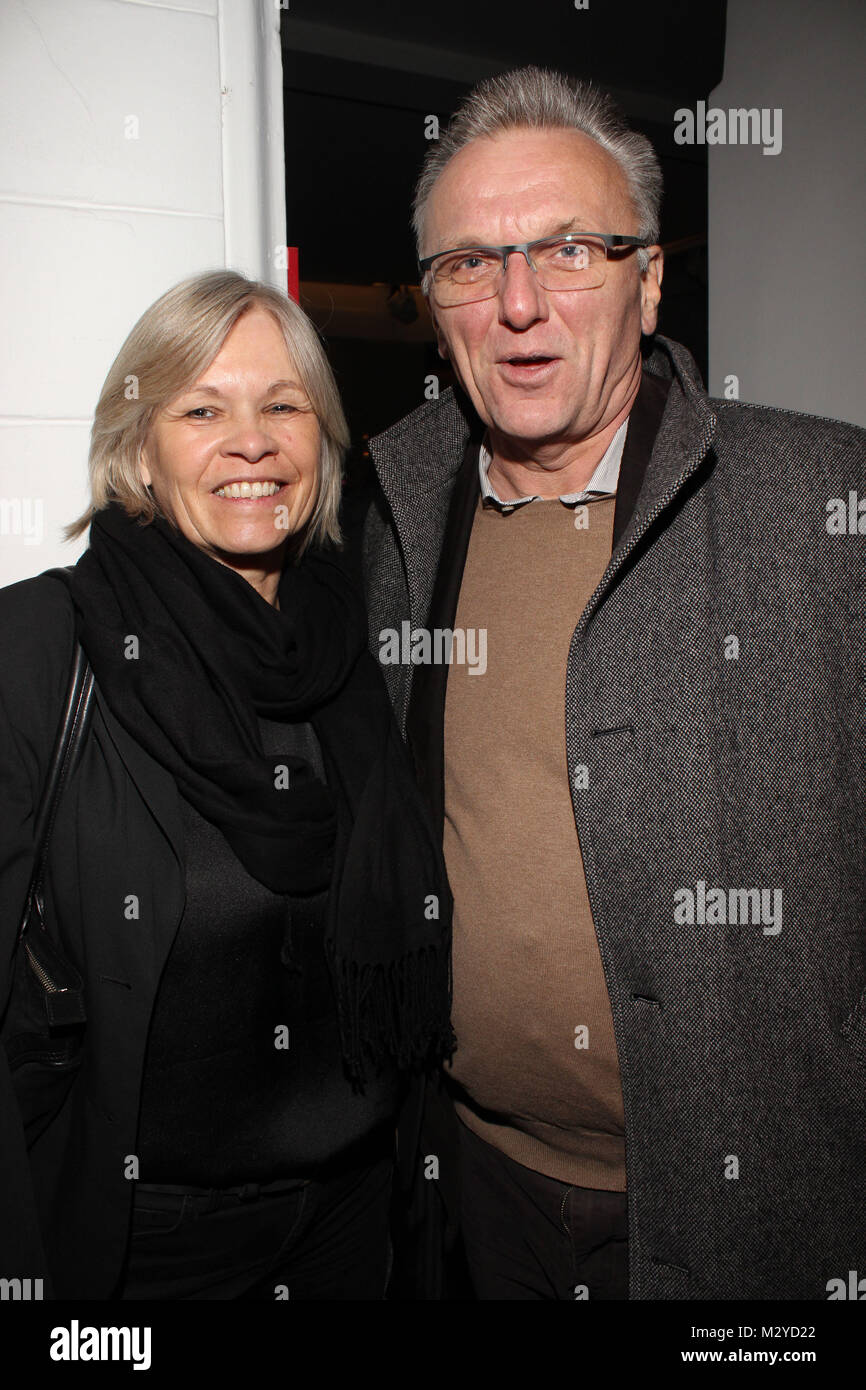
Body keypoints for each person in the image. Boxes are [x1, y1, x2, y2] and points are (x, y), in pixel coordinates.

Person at [360, 66, 866, 1300]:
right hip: (481, 1188)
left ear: (646, 283)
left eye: (569, 250)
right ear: (433, 306)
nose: (518, 303)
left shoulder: (822, 505)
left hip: (764, 1210)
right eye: (471, 264)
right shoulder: (392, 517)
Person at [0, 270, 453, 1300]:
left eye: (282, 405)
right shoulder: (38, 647)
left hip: (355, 1222)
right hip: (141, 1245)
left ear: (320, 442)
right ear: (139, 450)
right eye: (201, 408)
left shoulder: (365, 644)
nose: (250, 440)